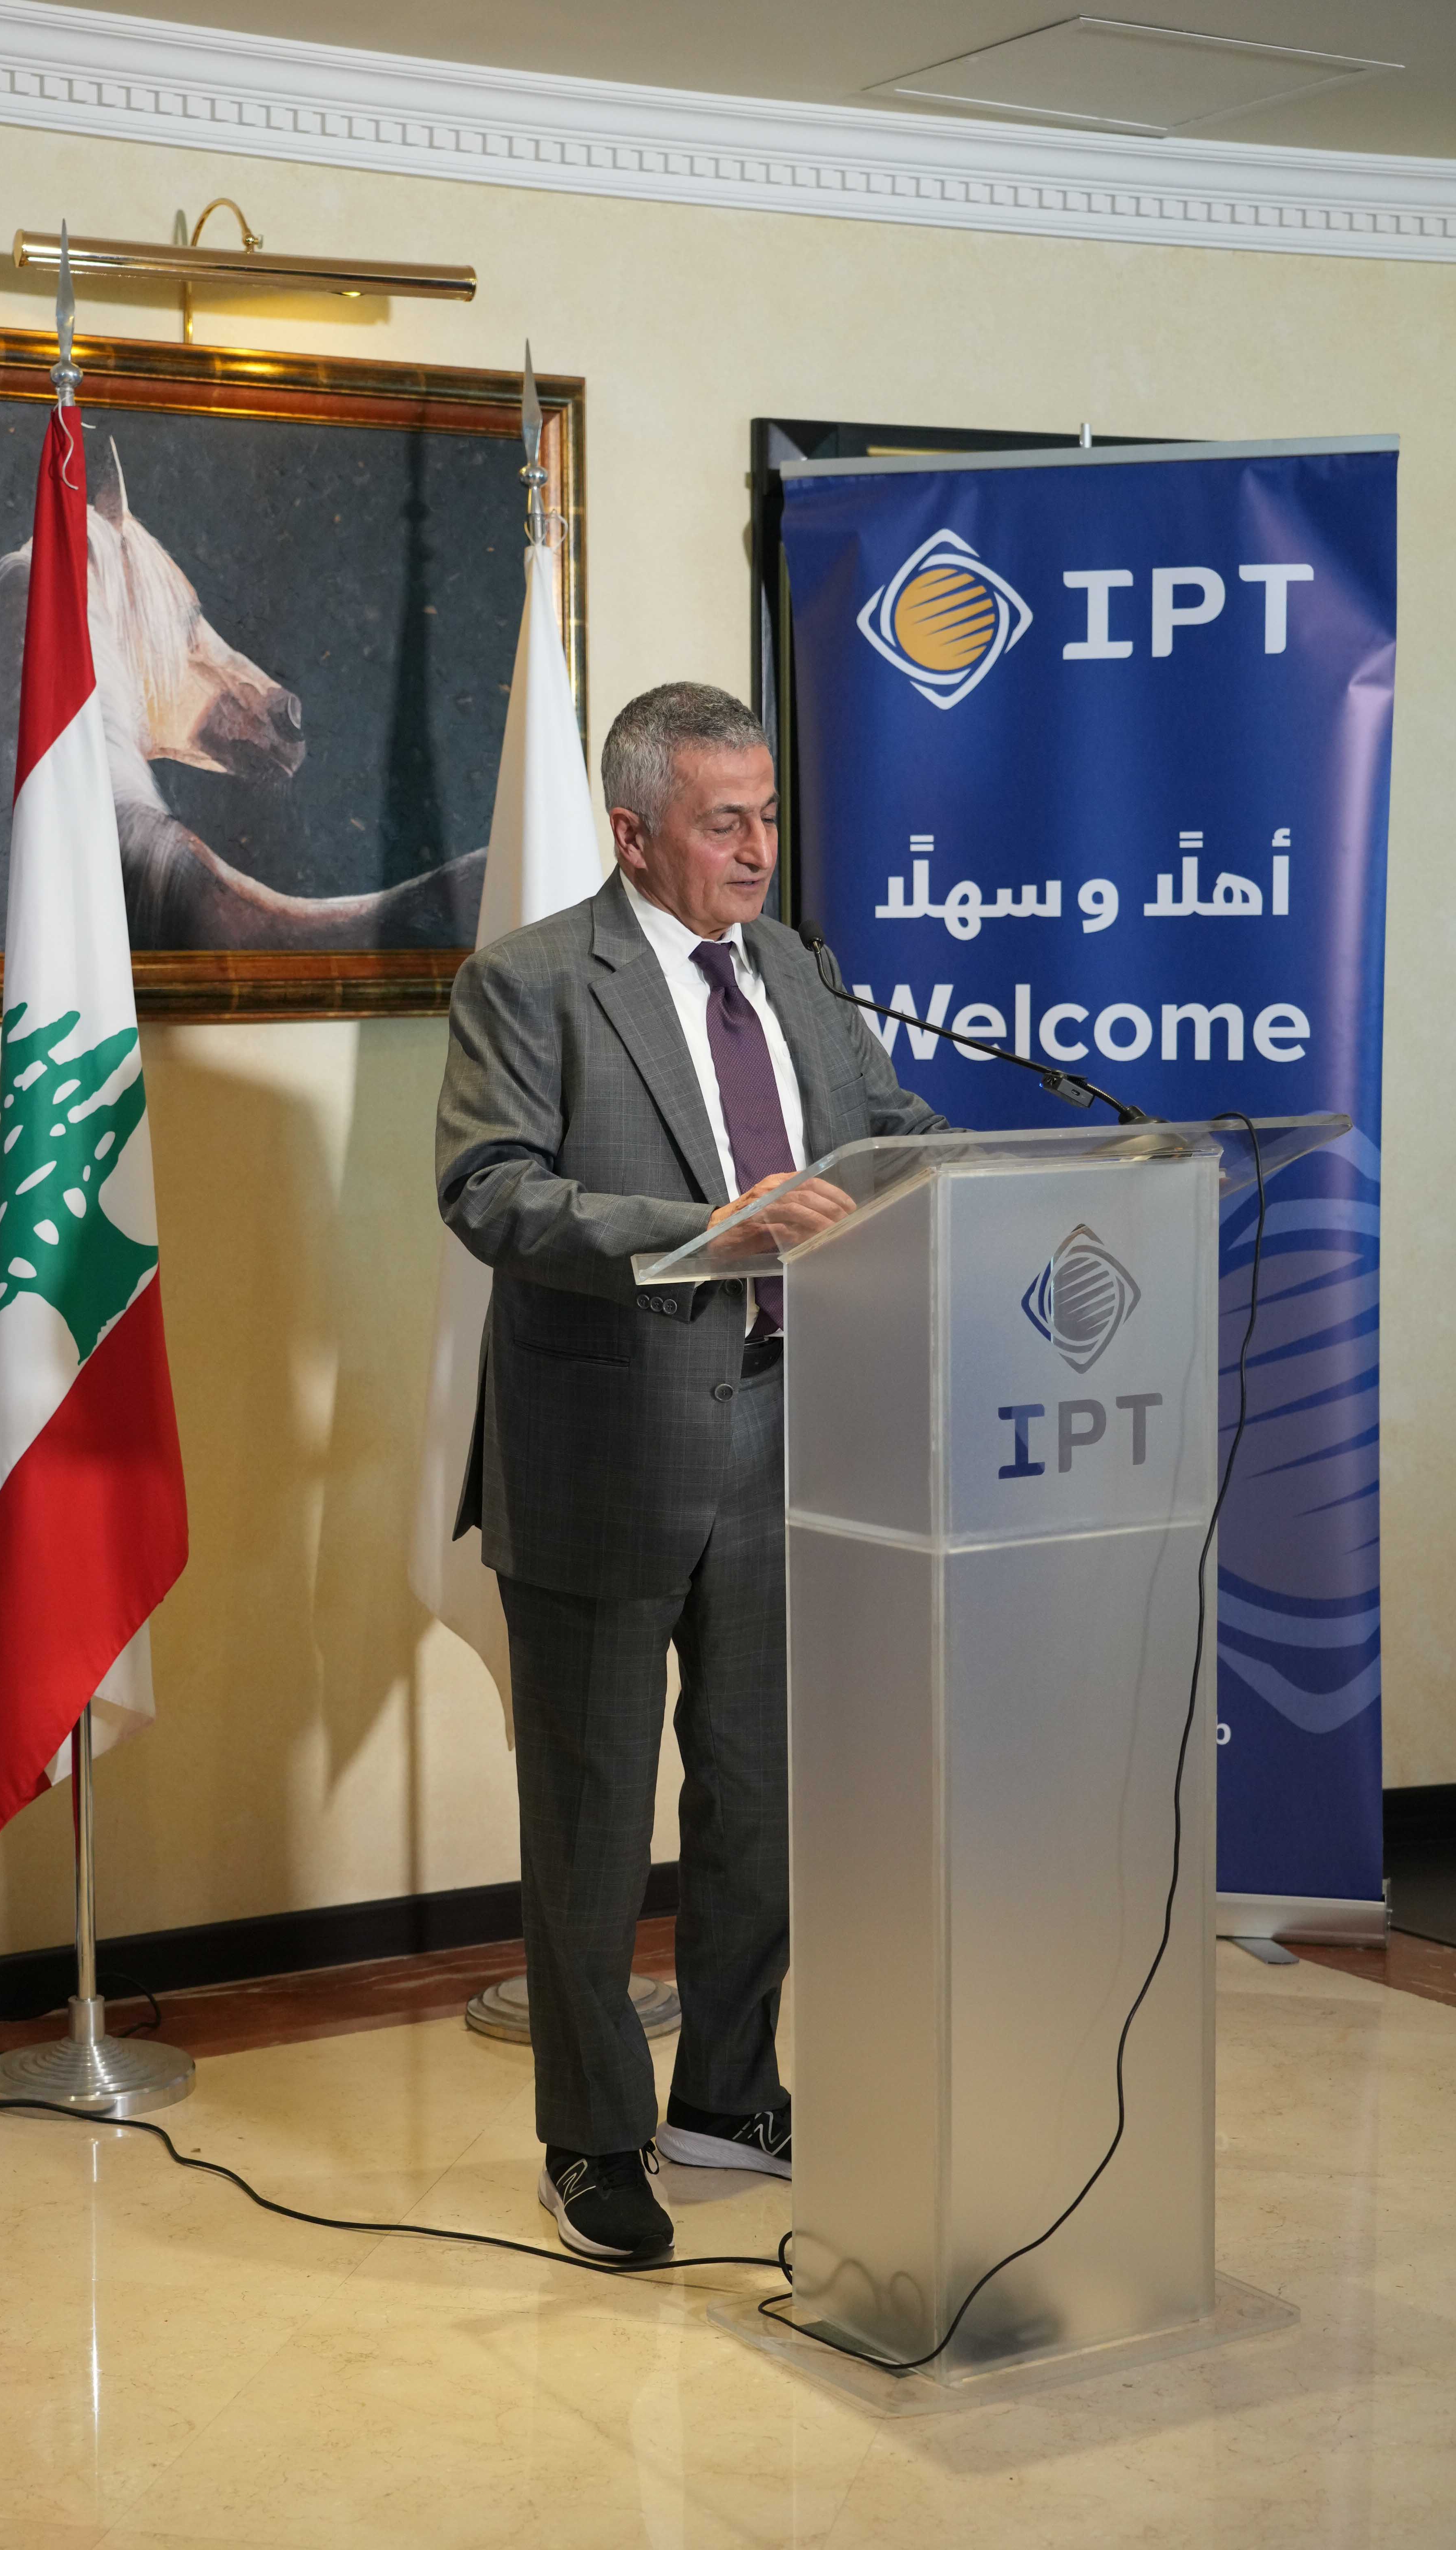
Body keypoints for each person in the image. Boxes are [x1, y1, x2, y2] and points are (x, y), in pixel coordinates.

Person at [436, 682, 945, 2261]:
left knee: (759, 1803)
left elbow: (887, 1129)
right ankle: (592, 2140)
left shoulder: (796, 970)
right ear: (635, 832)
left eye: (769, 815)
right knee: (594, 1819)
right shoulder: (531, 982)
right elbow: (490, 1190)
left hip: (791, 1435)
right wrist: (708, 1229)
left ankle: (729, 2095)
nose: (759, 849)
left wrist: (968, 1173)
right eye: (726, 822)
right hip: (605, 1450)